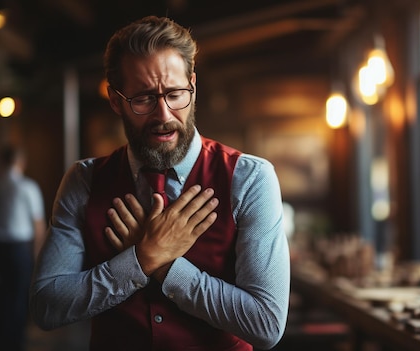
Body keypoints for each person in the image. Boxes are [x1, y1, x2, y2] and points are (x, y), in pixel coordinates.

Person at [29, 15, 290, 351]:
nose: (164, 115)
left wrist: (165, 266)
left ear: (193, 87)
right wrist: (141, 260)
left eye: (175, 94)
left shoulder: (251, 178)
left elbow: (266, 325)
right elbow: (47, 307)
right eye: (143, 99)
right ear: (115, 100)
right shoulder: (83, 181)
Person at [0, 144, 46, 351]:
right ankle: (16, 343)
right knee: (19, 296)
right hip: (20, 249)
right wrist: (38, 253)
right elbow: (38, 225)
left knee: (2, 294)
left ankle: (2, 341)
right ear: (21, 162)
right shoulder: (28, 187)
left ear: (3, 162)